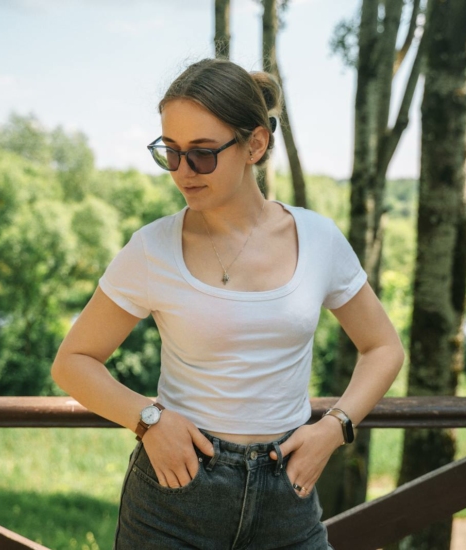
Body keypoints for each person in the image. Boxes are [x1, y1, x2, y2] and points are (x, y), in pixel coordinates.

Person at [50, 58, 405, 550]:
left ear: (254, 144)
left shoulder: (318, 238)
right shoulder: (152, 248)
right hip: (176, 496)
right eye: (169, 153)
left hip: (289, 494)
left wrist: (334, 428)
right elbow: (73, 362)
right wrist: (149, 418)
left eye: (201, 153)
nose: (182, 172)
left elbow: (383, 347)